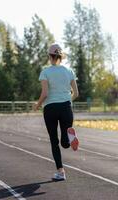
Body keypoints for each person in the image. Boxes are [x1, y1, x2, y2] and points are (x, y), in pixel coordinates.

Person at [33, 43, 79, 181]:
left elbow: (45, 93)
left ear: (49, 56)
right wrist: (67, 101)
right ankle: (69, 137)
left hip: (50, 109)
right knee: (65, 142)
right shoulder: (69, 71)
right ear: (61, 56)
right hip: (66, 107)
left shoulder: (45, 72)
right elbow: (76, 93)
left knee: (54, 141)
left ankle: (61, 172)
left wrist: (37, 104)